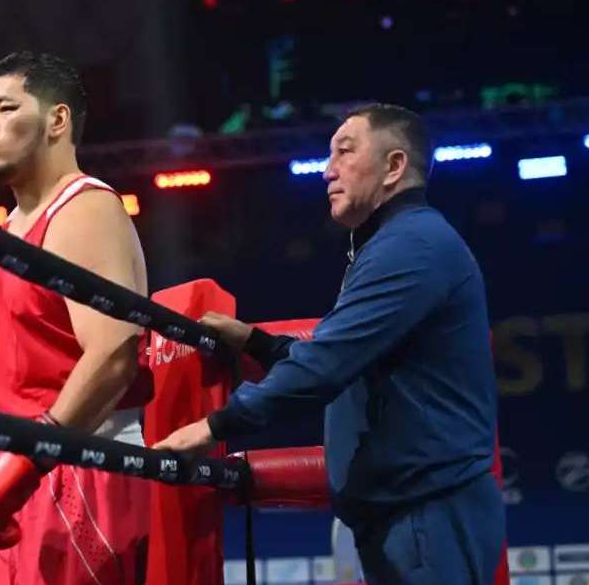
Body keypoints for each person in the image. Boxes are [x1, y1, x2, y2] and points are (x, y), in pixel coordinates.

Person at [153, 104, 504, 584]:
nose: (326, 170)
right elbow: (347, 360)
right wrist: (256, 343)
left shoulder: (411, 246)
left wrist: (213, 427)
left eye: (344, 151)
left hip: (426, 512)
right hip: (411, 511)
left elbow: (327, 366)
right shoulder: (391, 244)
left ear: (394, 167)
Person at [0, 51, 152, 584]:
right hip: (21, 468)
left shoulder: (85, 209)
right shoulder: (13, 224)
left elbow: (114, 353)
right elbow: (10, 354)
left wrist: (35, 452)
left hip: (85, 466)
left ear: (56, 121)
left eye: (5, 107)